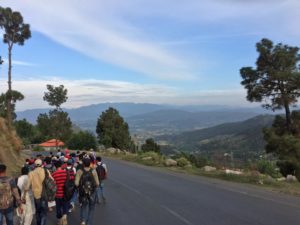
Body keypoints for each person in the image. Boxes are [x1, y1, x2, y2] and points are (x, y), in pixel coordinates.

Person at [75, 157, 99, 225]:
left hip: (83, 192)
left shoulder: (79, 171)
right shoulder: (93, 171)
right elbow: (97, 183)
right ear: (90, 164)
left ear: (83, 164)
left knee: (83, 206)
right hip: (92, 192)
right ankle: (88, 223)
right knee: (91, 208)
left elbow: (76, 183)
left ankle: (83, 221)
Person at [27, 159, 51, 225]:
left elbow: (27, 186)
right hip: (44, 194)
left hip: (36, 195)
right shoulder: (46, 171)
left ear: (35, 165)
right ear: (41, 164)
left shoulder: (31, 173)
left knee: (38, 211)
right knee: (44, 212)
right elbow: (52, 180)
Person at [52, 160, 74, 225]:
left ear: (55, 167)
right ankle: (64, 217)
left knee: (58, 208)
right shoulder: (66, 173)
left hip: (57, 194)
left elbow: (53, 184)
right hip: (66, 194)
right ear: (61, 166)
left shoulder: (54, 174)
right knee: (65, 207)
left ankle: (59, 219)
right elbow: (69, 182)